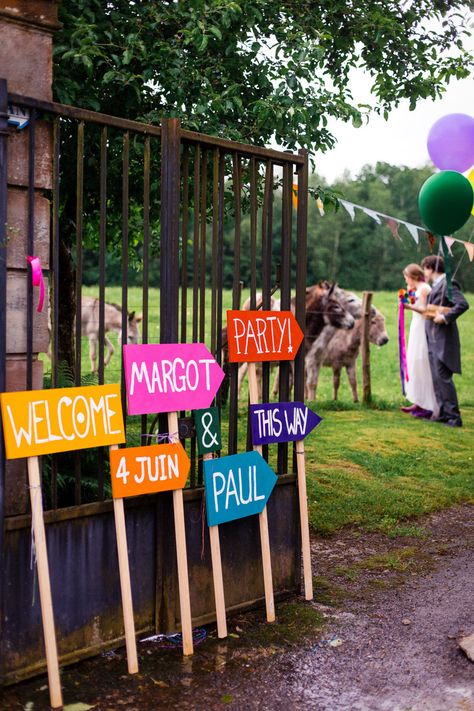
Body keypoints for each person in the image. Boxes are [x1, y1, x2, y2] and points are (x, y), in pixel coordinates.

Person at [421, 255, 469, 427]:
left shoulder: (449, 284)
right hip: (433, 339)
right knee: (437, 378)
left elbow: (462, 304)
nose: (424, 272)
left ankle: (454, 417)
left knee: (444, 378)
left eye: (425, 268)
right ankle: (442, 413)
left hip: (443, 341)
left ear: (431, 268)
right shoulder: (436, 286)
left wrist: (445, 317)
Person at [400, 263, 438, 419]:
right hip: (416, 327)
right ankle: (418, 401)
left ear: (412, 276)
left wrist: (409, 307)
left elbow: (428, 310)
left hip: (423, 327)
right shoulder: (416, 289)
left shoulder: (425, 289)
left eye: (406, 278)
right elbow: (411, 301)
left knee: (422, 362)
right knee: (414, 363)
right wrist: (405, 299)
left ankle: (428, 405)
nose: (405, 281)